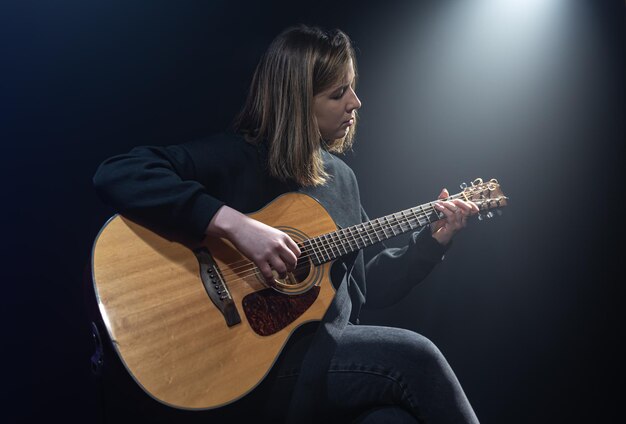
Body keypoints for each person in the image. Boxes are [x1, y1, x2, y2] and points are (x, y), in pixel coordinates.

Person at [93, 24, 480, 423]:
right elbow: (118, 173)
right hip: (252, 367)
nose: (356, 102)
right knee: (417, 358)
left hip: (323, 362)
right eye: (338, 93)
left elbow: (368, 288)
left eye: (352, 87)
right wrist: (237, 227)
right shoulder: (239, 156)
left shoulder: (341, 179)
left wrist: (432, 243)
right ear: (297, 102)